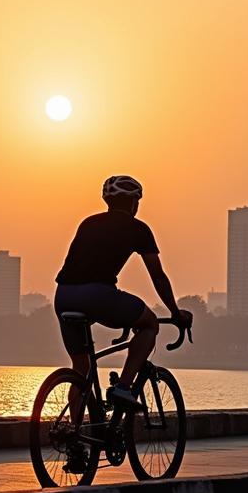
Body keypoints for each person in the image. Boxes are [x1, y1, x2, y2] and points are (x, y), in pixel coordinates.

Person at [54, 175, 193, 409]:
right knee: (149, 323)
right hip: (98, 296)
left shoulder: (88, 223)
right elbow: (158, 277)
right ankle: (123, 388)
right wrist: (175, 312)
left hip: (64, 296)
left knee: (81, 369)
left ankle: (74, 436)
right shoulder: (139, 229)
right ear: (133, 203)